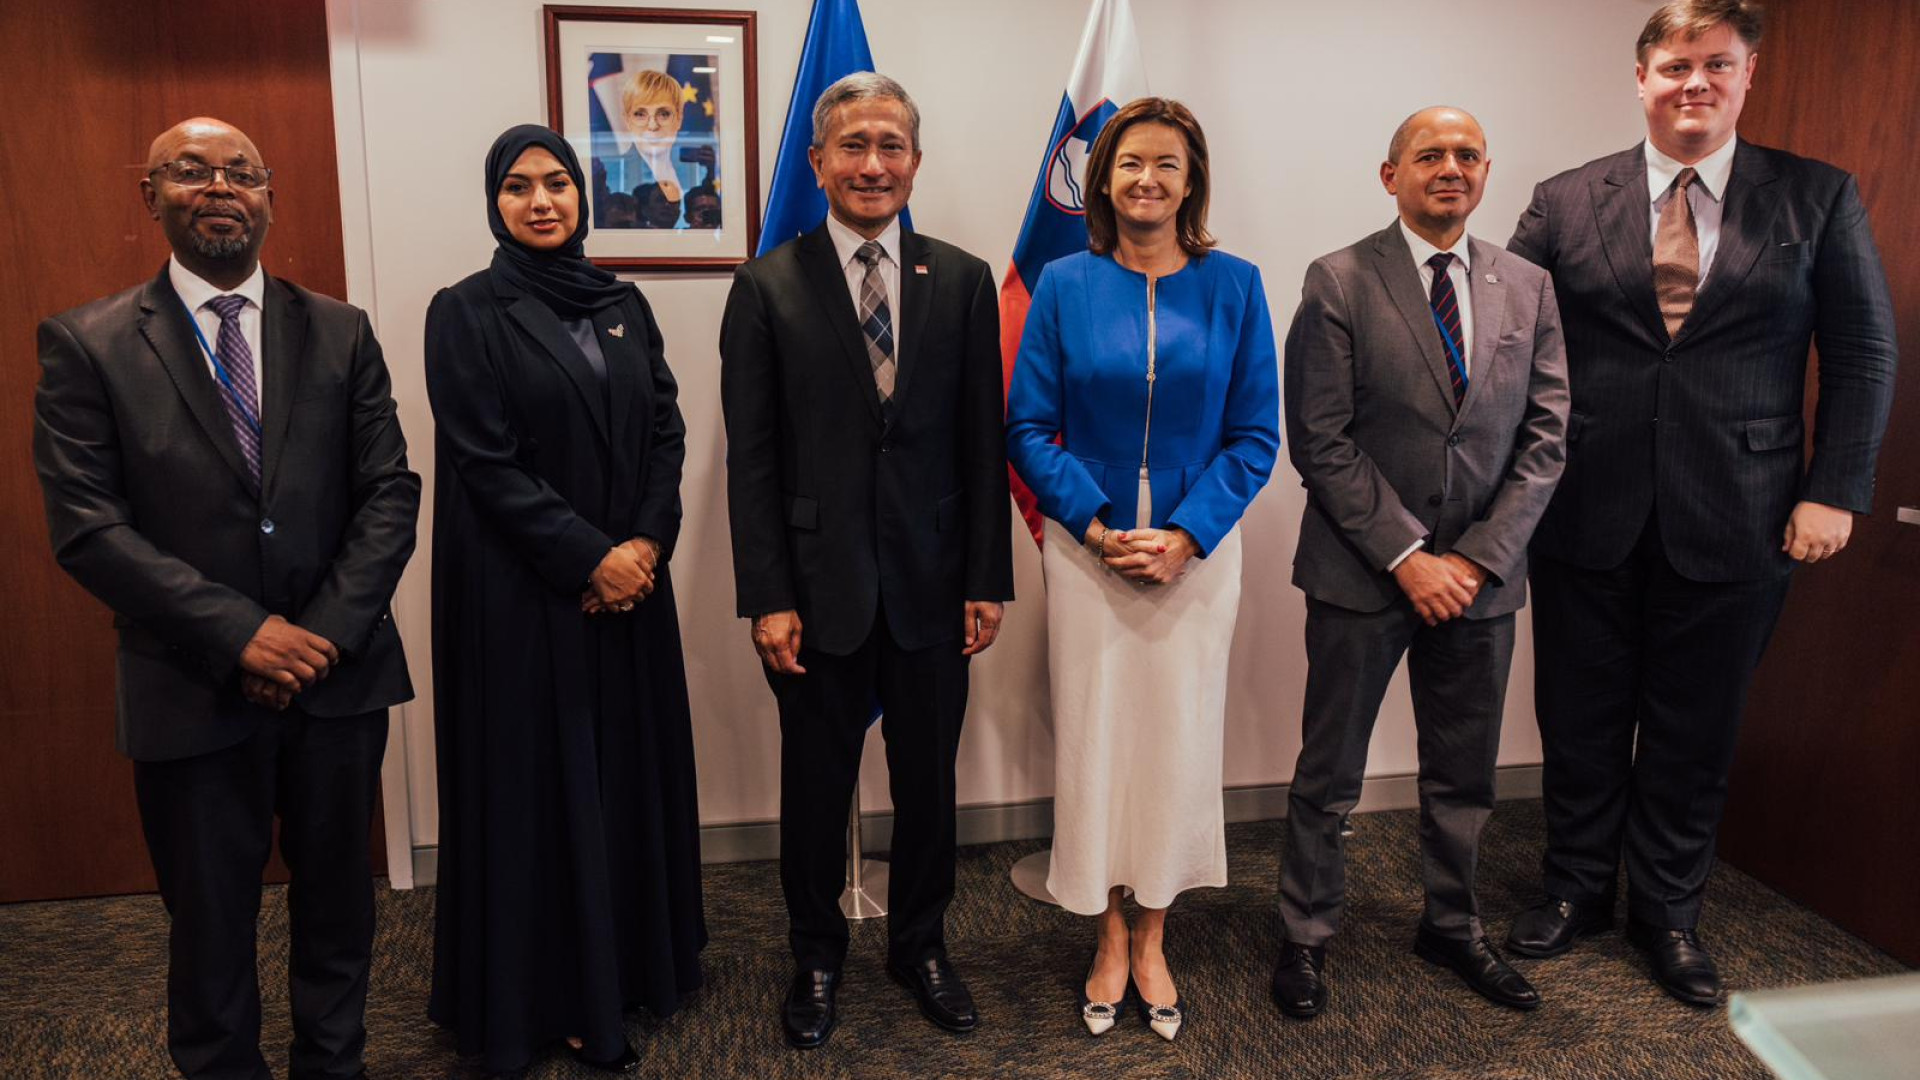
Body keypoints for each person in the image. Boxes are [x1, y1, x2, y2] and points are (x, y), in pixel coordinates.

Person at [1504, 0, 1897, 1006]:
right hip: (1584, 506)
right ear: (1642, 77)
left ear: (1748, 75)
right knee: (1581, 715)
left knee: (1696, 728)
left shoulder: (1818, 197)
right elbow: (1512, 352)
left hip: (1745, 511)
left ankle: (1669, 913)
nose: (1695, 84)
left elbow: (1861, 353)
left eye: (1717, 65)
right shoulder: (1562, 200)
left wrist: (1836, 491)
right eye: (1676, 65)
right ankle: (1577, 888)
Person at [32, 117, 418, 1080]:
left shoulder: (339, 328)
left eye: (240, 171)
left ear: (269, 194)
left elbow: (390, 492)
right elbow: (90, 528)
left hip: (338, 681)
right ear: (150, 194)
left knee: (339, 904)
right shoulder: (89, 343)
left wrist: (317, 637)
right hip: (188, 684)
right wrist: (245, 634)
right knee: (209, 920)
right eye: (190, 171)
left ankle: (335, 1064)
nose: (218, 187)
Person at [719, 72, 1013, 1050]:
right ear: (818, 163)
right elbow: (752, 457)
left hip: (934, 587)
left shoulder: (963, 280)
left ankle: (922, 946)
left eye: (891, 145)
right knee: (814, 787)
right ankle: (815, 954)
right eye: (853, 146)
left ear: (915, 163)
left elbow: (983, 440)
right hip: (815, 592)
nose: (873, 163)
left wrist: (986, 577)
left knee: (930, 785)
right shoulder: (766, 285)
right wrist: (766, 594)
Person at [1274, 106, 1570, 1018]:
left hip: (1482, 581)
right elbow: (1319, 441)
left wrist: (1475, 562)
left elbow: (1547, 438)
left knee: (1465, 774)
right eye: (1430, 154)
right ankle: (1305, 937)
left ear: (1487, 173)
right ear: (1389, 173)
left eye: (1468, 155)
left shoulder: (1528, 285)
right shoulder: (1339, 278)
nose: (1451, 167)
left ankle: (1452, 927)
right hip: (1364, 574)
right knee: (1331, 775)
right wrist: (1408, 555)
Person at [424, 124, 705, 1075]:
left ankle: (629, 969)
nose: (540, 201)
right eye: (517, 187)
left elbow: (667, 432)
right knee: (542, 793)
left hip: (631, 591)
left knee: (624, 777)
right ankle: (546, 995)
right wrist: (590, 557)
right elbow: (484, 461)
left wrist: (644, 544)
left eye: (556, 183)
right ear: (494, 203)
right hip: (524, 599)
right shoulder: (464, 312)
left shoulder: (624, 302)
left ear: (584, 195)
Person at [1005, 97, 1280, 1042]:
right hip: (1088, 556)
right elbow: (1028, 428)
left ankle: (1156, 929)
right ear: (1101, 180)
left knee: (1175, 741)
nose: (1147, 180)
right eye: (1128, 164)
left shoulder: (1237, 285)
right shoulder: (1064, 284)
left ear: (1191, 178)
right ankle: (1107, 930)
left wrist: (1188, 534)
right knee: (1098, 739)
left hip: (1195, 557)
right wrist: (1094, 522)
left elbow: (1255, 437)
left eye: (1166, 164)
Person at [601, 68, 716, 230]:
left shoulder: (692, 170)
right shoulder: (613, 172)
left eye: (663, 114)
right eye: (640, 114)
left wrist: (711, 172)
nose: (653, 125)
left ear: (679, 119)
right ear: (627, 120)